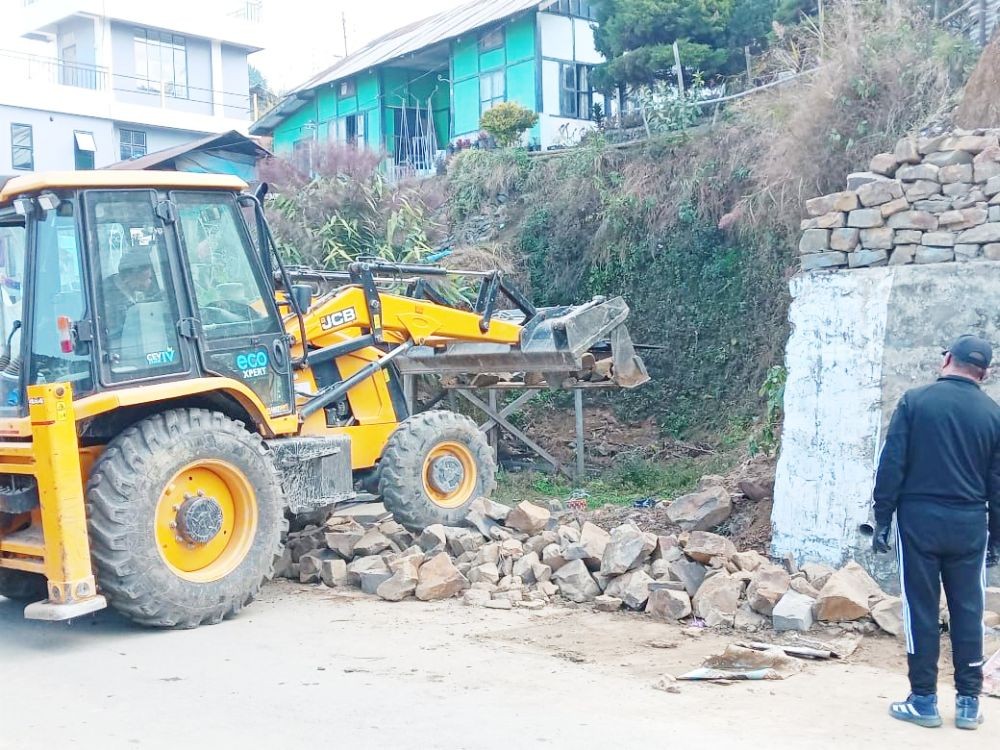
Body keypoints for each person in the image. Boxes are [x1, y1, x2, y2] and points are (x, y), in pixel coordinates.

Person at [872, 334, 1000, 730]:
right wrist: (996, 538)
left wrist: (882, 518)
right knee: (968, 611)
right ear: (986, 371)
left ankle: (923, 700)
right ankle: (967, 703)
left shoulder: (915, 401)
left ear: (947, 360)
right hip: (969, 524)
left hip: (920, 522)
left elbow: (892, 463)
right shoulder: (994, 414)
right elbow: (997, 484)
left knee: (921, 610)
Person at [101, 250, 159, 341]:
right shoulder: (106, 298)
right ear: (130, 275)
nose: (149, 283)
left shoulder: (131, 290)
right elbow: (116, 331)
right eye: (146, 278)